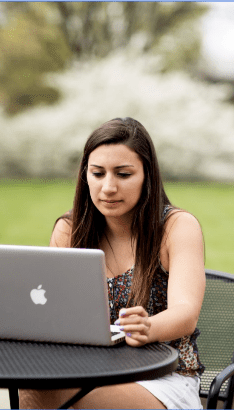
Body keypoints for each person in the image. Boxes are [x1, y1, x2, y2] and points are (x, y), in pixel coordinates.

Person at [19, 117, 206, 409]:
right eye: (97, 173)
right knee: (35, 384)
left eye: (123, 174)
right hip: (93, 369)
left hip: (164, 378)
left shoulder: (176, 227)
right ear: (85, 176)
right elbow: (53, 313)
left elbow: (186, 313)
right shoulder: (69, 231)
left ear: (147, 176)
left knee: (46, 393)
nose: (108, 187)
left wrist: (148, 327)